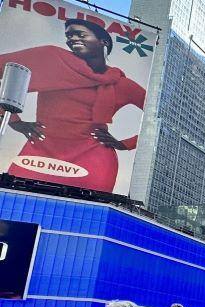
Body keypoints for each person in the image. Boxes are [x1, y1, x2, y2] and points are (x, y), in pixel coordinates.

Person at [0, 19, 146, 191]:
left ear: (103, 42)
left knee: (85, 216)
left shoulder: (121, 84)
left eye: (80, 34)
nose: (73, 38)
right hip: (39, 155)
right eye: (69, 35)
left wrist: (124, 144)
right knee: (12, 209)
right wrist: (14, 121)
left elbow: (157, 122)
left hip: (93, 161)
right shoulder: (52, 58)